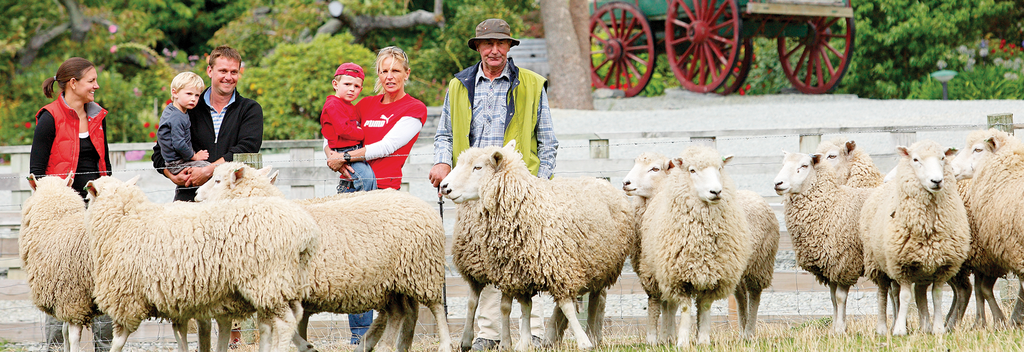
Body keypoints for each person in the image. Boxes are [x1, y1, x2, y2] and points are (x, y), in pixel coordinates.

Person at [428, 18, 558, 351]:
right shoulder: (460, 85)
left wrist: (539, 184)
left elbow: (547, 141)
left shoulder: (530, 84)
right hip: (472, 189)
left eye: (501, 43)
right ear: (478, 47)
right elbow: (444, 133)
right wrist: (443, 162)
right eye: (488, 44)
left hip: (517, 194)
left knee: (530, 260)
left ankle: (536, 333)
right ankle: (489, 333)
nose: (495, 49)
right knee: (484, 261)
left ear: (510, 47)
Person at [324, 46, 428, 344]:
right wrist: (331, 155)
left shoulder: (414, 108)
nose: (389, 76)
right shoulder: (364, 103)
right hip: (351, 190)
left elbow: (388, 146)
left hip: (385, 197)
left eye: (395, 70)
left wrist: (346, 158)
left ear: (407, 73)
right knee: (353, 268)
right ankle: (359, 338)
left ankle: (388, 338)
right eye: (384, 70)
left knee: (384, 272)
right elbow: (333, 131)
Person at [29, 56, 115, 352]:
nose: (96, 85)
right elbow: (37, 173)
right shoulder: (49, 118)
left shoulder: (99, 117)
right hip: (63, 219)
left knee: (102, 276)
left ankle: (105, 347)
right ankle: (56, 348)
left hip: (95, 213)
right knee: (61, 282)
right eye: (91, 80)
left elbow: (107, 165)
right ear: (73, 83)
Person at [152, 45, 263, 202]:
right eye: (223, 71)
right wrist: (172, 176)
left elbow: (247, 148)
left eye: (234, 72)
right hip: (191, 198)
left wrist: (209, 170)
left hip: (234, 200)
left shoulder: (250, 109)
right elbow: (159, 151)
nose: (229, 77)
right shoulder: (188, 108)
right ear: (210, 71)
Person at [321, 62, 376, 192]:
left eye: (356, 86)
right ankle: (363, 204)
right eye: (347, 84)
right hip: (344, 150)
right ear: (335, 84)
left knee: (370, 177)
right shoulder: (333, 105)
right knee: (365, 178)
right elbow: (343, 129)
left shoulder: (347, 105)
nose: (352, 89)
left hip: (352, 149)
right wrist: (362, 133)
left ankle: (371, 204)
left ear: (361, 89)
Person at [158, 72, 211, 176]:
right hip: (176, 163)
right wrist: (195, 157)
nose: (193, 99)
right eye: (189, 94)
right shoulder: (176, 117)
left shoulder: (174, 109)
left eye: (197, 95)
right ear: (175, 93)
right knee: (208, 168)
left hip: (179, 161)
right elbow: (179, 144)